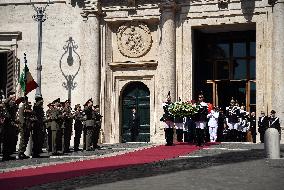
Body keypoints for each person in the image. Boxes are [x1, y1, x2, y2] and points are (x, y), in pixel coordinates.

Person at [2, 91, 18, 161]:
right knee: (6, 140)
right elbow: (5, 103)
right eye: (13, 96)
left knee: (10, 140)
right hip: (7, 124)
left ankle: (8, 154)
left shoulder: (13, 104)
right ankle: (5, 156)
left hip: (12, 124)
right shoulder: (7, 103)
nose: (14, 97)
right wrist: (9, 98)